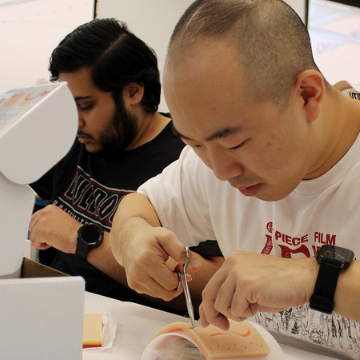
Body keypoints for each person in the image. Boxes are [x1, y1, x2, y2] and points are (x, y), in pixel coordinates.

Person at [110, 0, 360, 358]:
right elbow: (139, 206)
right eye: (194, 144)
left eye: (236, 143)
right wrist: (132, 238)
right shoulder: (214, 159)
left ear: (307, 96)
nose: (222, 172)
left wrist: (312, 277)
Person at [29, 18, 224, 315]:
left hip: (129, 336)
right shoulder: (80, 140)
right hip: (53, 311)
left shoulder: (190, 160)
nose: (74, 119)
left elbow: (210, 290)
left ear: (134, 92)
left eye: (85, 105)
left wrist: (82, 240)